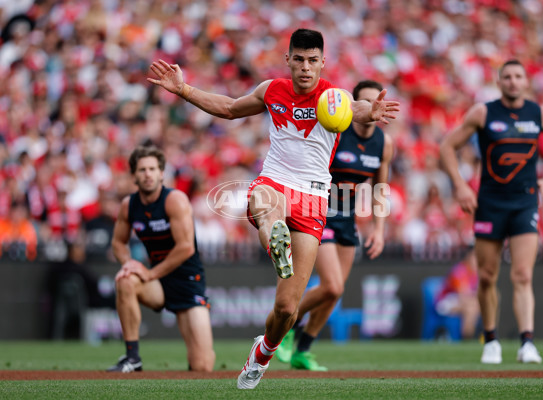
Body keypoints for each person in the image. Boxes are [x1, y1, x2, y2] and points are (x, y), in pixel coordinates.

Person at [148, 28, 399, 389]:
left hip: (313, 200)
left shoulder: (335, 97)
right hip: (275, 183)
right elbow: (231, 108)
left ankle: (263, 352)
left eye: (313, 60)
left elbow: (356, 109)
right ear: (288, 60)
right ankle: (274, 240)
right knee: (269, 205)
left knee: (286, 310)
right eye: (299, 59)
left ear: (323, 62)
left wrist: (369, 112)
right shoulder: (271, 90)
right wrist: (184, 90)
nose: (305, 67)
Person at [440, 59, 543, 364]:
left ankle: (527, 342)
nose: (512, 81)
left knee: (523, 274)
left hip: (524, 202)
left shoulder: (539, 113)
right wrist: (460, 185)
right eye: (506, 76)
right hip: (490, 203)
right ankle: (492, 340)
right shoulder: (483, 112)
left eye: (518, 76)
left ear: (526, 81)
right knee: (486, 276)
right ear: (499, 82)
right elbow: (447, 146)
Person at [274, 80, 393, 371]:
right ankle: (286, 325)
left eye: (373, 102)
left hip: (348, 217)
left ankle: (303, 349)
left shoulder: (383, 143)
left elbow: (381, 187)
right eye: (363, 102)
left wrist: (379, 229)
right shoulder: (335, 130)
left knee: (335, 292)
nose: (369, 107)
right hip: (319, 211)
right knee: (332, 284)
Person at [107, 145, 215, 372]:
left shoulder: (174, 200)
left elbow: (185, 248)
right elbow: (118, 242)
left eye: (153, 169)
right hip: (158, 283)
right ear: (134, 175)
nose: (148, 174)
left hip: (188, 282)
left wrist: (149, 272)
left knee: (203, 366)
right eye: (142, 169)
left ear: (161, 173)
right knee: (125, 280)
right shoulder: (129, 205)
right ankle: (132, 357)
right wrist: (128, 263)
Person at [434, 246, 480, 339]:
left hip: (464, 303)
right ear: (468, 256)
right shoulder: (460, 271)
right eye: (475, 256)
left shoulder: (476, 273)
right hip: (445, 302)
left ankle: (477, 336)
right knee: (471, 308)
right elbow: (464, 296)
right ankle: (467, 339)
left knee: (477, 306)